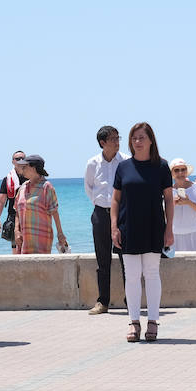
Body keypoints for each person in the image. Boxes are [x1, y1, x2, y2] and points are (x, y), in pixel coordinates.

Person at [113, 122, 174, 342]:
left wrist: (169, 229)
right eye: (134, 138)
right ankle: (133, 322)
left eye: (141, 137)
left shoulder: (162, 166)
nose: (137, 141)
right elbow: (115, 199)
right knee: (131, 276)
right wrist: (114, 227)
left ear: (150, 141)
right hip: (127, 226)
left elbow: (168, 199)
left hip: (153, 226)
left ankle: (153, 321)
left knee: (151, 273)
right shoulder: (123, 167)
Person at [83, 126, 125, 314]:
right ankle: (103, 302)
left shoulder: (126, 161)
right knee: (102, 260)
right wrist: (102, 205)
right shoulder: (92, 163)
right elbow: (89, 188)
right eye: (113, 139)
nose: (117, 142)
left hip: (123, 214)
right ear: (102, 142)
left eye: (118, 138)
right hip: (100, 214)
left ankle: (130, 300)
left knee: (127, 258)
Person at [12, 154, 66, 255]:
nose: (22, 169)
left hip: (41, 239)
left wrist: (60, 234)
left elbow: (54, 212)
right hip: (23, 240)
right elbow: (17, 211)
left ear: (33, 168)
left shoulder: (46, 187)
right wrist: (16, 231)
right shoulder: (23, 187)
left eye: (25, 167)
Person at [169, 158, 196, 252]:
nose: (180, 173)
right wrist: (173, 204)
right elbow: (163, 216)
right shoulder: (168, 190)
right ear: (172, 173)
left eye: (183, 169)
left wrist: (189, 202)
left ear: (186, 171)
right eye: (177, 170)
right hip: (176, 234)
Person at [0, 150, 27, 254]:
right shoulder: (8, 179)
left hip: (30, 215)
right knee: (15, 248)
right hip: (13, 216)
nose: (20, 160)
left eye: (23, 158)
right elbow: (1, 200)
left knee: (30, 247)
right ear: (13, 161)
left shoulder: (31, 177)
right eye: (17, 159)